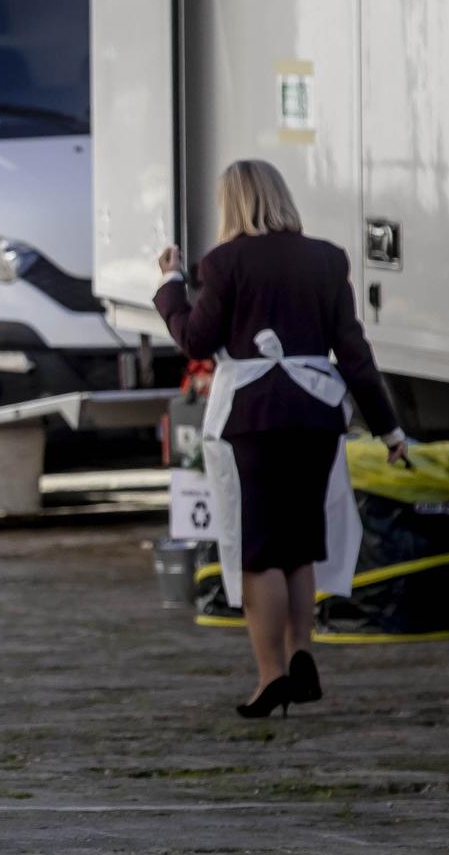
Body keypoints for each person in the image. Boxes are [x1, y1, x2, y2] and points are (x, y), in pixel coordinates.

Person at [154, 159, 406, 719]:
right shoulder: (326, 257)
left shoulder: (224, 262)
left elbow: (197, 340)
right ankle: (301, 652)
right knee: (299, 544)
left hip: (254, 416)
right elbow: (356, 354)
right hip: (316, 413)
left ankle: (269, 676)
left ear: (233, 204)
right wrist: (389, 428)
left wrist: (171, 287)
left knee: (258, 552)